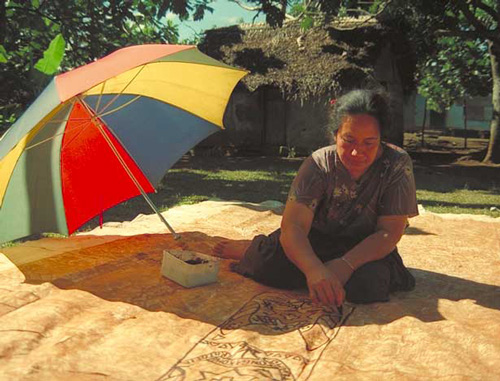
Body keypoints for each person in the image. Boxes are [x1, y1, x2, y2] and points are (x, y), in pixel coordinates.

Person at [216, 89, 418, 306]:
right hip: (316, 238)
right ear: (335, 135)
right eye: (348, 140)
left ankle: (324, 269)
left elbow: (389, 232)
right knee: (265, 266)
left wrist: (344, 265)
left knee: (367, 287)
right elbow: (294, 226)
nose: (357, 153)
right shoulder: (318, 164)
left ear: (381, 138)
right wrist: (314, 269)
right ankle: (253, 248)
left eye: (369, 142)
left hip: (365, 245)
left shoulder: (397, 164)